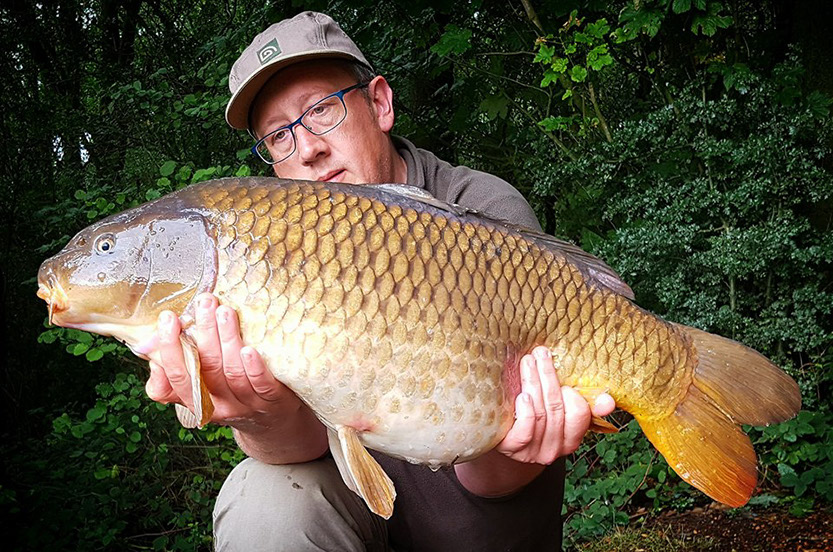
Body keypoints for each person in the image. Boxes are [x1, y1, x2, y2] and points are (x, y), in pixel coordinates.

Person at [145, 11, 615, 552]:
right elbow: (296, 448)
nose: (306, 149)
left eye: (320, 110)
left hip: (481, 523)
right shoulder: (269, 253)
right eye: (278, 135)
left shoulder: (480, 210)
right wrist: (258, 415)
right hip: (357, 517)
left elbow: (495, 466)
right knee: (263, 497)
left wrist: (512, 444)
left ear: (381, 103)